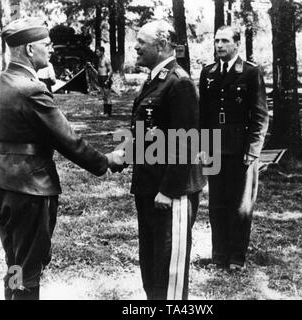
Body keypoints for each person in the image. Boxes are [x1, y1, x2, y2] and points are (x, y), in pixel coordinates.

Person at [0, 17, 124, 300]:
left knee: (15, 264)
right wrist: (105, 161)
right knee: (28, 270)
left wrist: (1, 171)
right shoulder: (31, 88)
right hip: (28, 189)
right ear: (30, 49)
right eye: (46, 45)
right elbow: (67, 139)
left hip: (0, 186)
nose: (51, 51)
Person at [128, 20, 206, 300]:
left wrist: (168, 191)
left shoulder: (179, 82)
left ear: (161, 46)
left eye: (141, 42)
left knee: (169, 270)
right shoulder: (155, 79)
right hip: (150, 187)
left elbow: (187, 141)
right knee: (151, 265)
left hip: (171, 192)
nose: (135, 46)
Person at [199, 25, 269, 271]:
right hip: (214, 148)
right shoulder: (208, 73)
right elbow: (203, 114)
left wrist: (253, 150)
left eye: (225, 41)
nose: (219, 45)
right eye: (216, 41)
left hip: (241, 150)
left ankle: (237, 258)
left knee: (240, 206)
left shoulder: (250, 72)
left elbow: (260, 115)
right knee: (217, 203)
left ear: (237, 44)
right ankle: (218, 256)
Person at [95, 47, 113, 117]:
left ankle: (108, 113)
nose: (97, 53)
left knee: (107, 96)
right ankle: (105, 112)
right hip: (100, 78)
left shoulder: (106, 60)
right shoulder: (99, 59)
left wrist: (108, 79)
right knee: (103, 96)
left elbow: (111, 71)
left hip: (105, 78)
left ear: (102, 52)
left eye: (98, 52)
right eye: (96, 52)